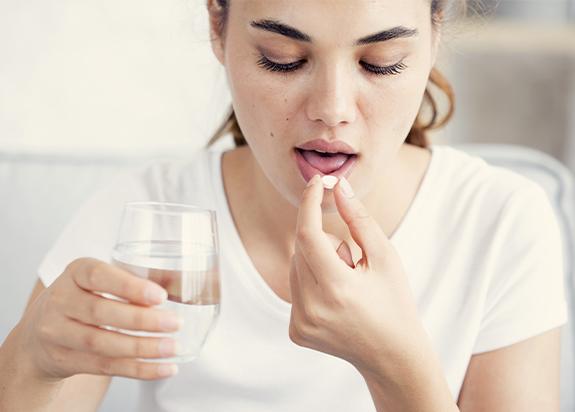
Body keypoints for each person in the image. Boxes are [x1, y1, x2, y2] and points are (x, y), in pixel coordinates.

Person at [0, 0, 568, 410]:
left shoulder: (501, 221)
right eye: (282, 58)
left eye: (381, 62)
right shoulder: (146, 215)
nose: (332, 110)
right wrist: (33, 357)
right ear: (217, 27)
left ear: (435, 34)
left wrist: (397, 367)